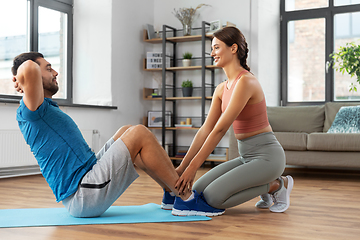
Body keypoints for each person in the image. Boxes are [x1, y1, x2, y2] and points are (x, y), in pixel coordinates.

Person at [11, 52, 201, 218]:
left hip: (87, 181)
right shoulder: (31, 112)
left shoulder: (44, 108)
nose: (55, 73)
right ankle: (186, 199)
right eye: (49, 68)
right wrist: (21, 77)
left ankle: (171, 192)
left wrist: (24, 78)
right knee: (139, 133)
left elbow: (29, 69)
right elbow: (27, 67)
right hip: (83, 196)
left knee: (126, 130)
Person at [167, 27, 294, 216]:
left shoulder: (246, 82)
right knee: (199, 190)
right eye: (212, 48)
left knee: (213, 198)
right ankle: (262, 184)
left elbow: (220, 130)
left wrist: (193, 168)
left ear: (233, 48)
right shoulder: (221, 89)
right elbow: (205, 130)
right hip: (246, 157)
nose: (212, 53)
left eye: (216, 48)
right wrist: (182, 168)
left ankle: (276, 185)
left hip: (268, 158)